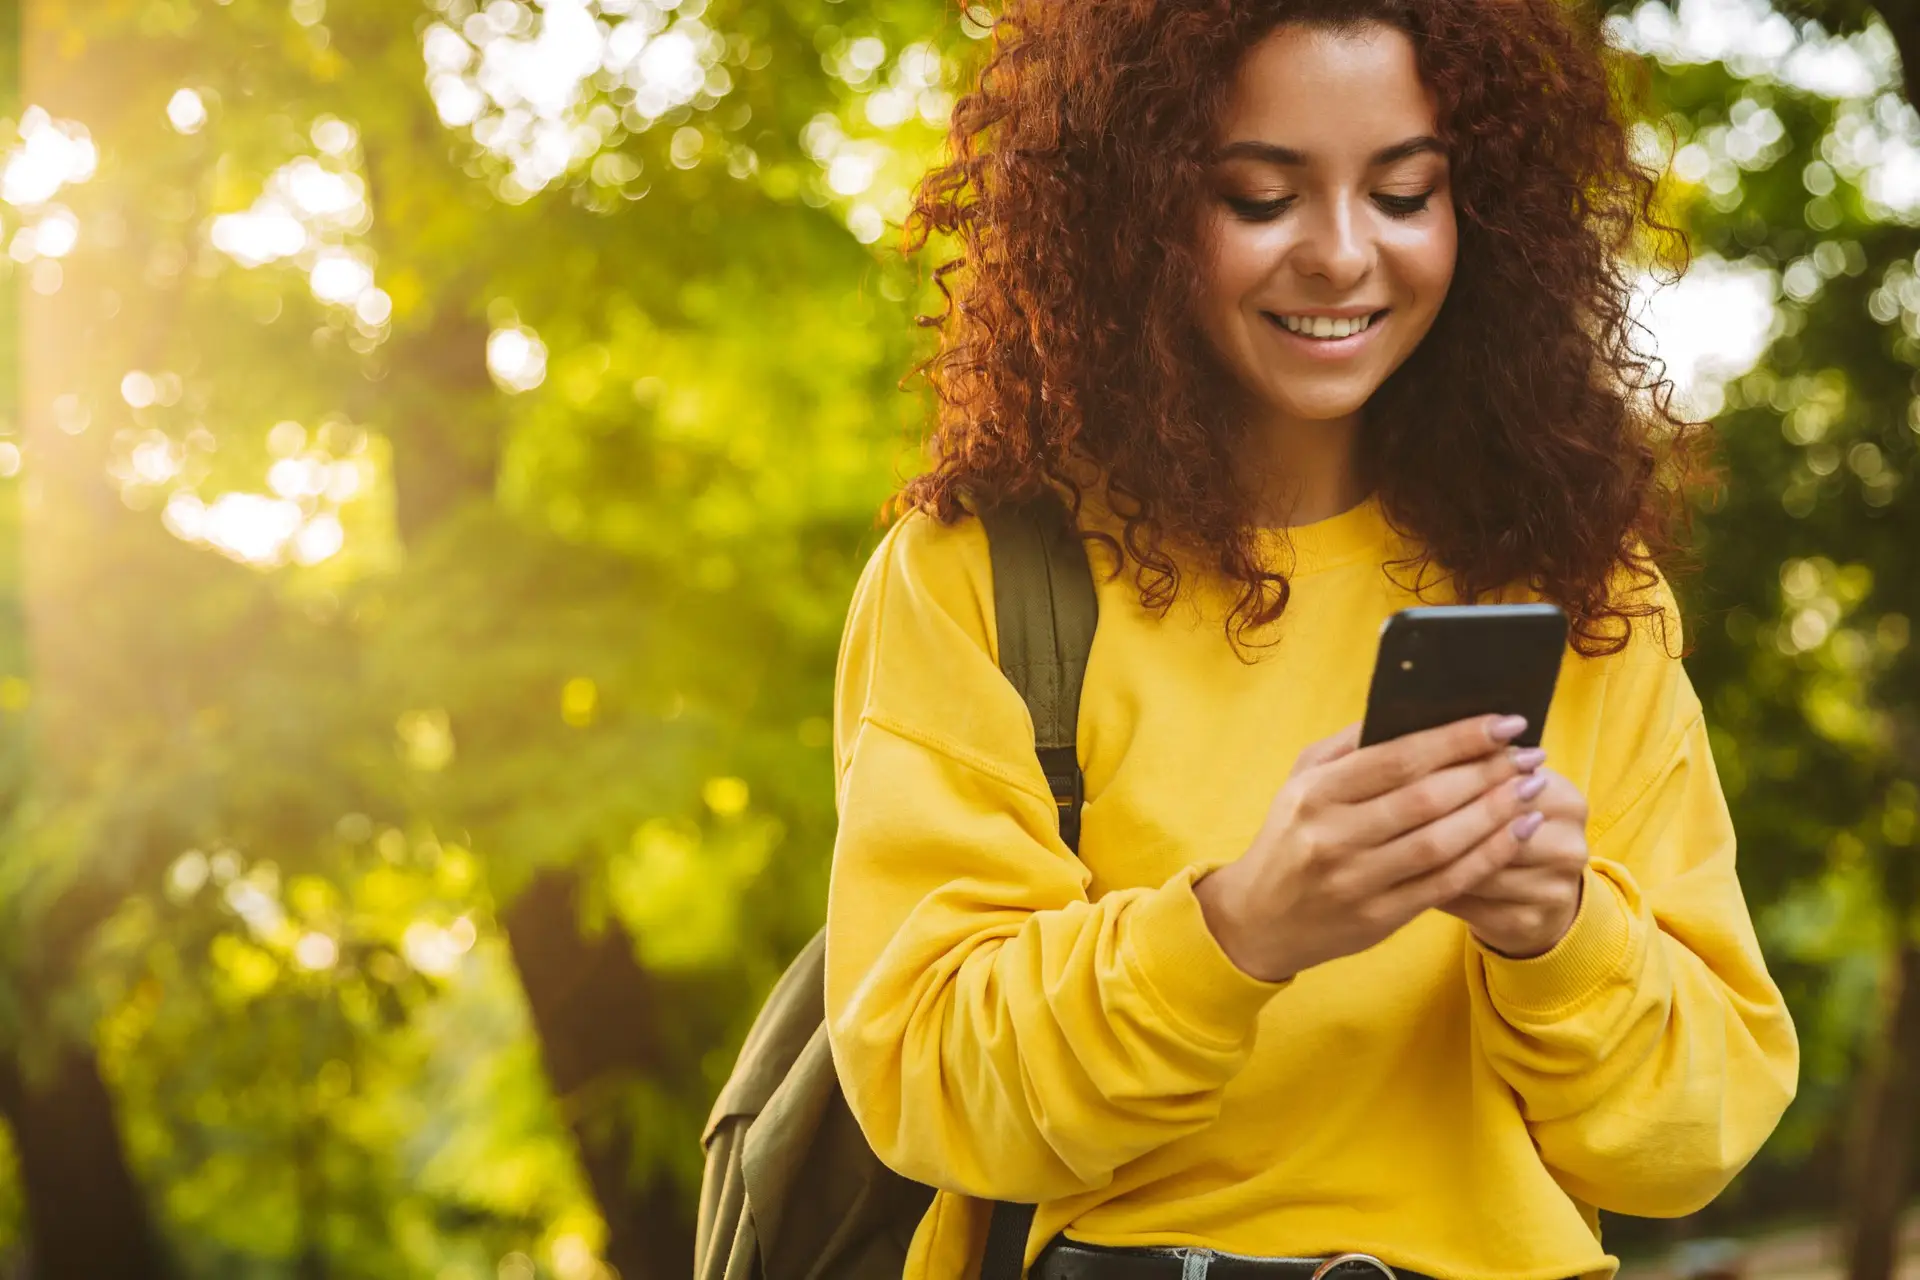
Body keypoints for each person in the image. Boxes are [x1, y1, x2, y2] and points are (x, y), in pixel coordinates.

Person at [823, 1, 1799, 1278]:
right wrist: (1238, 931)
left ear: (1483, 214)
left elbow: (1696, 1134)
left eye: (1404, 193)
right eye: (1261, 198)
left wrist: (1561, 933)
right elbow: (927, 1081)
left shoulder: (1578, 589)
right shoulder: (982, 579)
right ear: (1138, 210)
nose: (1343, 255)